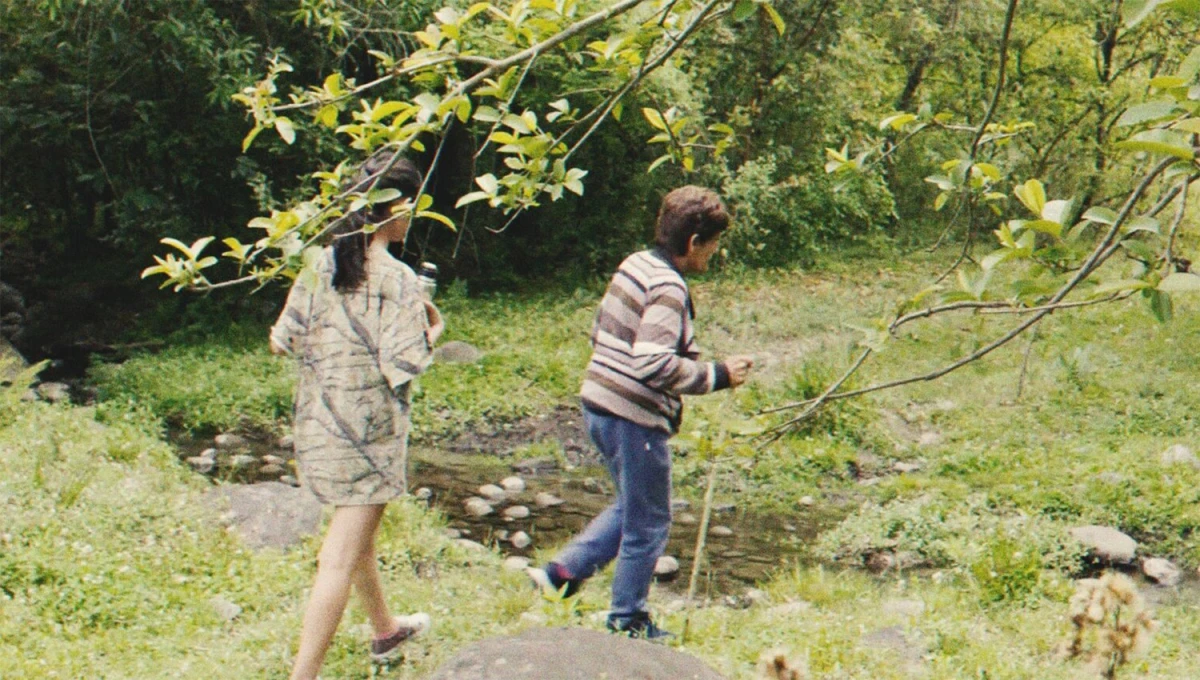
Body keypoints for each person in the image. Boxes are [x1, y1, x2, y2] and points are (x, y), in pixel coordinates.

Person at [530, 185, 754, 640]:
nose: (713, 255)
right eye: (713, 246)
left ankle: (562, 573)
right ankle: (627, 617)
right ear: (693, 244)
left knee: (634, 505)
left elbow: (603, 328)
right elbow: (651, 362)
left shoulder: (636, 264)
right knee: (650, 519)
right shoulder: (670, 287)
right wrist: (717, 375)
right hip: (633, 418)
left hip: (598, 404)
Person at [269, 151, 444, 679]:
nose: (412, 215)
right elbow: (406, 365)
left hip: (318, 429)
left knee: (358, 538)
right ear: (394, 209)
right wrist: (433, 331)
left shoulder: (320, 264)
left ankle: (385, 631)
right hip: (368, 441)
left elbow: (283, 341)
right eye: (410, 204)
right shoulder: (398, 279)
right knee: (339, 557)